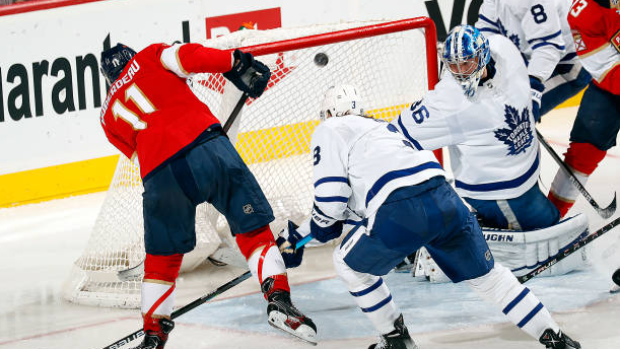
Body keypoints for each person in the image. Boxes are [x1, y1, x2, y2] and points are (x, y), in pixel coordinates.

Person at [277, 84, 581, 349]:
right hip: (444, 198)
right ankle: (555, 338)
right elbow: (351, 212)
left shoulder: (330, 129)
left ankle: (396, 339)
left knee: (347, 264)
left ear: (329, 113)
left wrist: (304, 234)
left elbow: (331, 206)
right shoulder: (385, 130)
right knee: (491, 279)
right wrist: (302, 235)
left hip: (399, 209)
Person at [99, 42, 316, 348]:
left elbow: (138, 153)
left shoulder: (107, 116)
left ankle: (153, 333)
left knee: (162, 259)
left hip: (161, 176)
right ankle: (278, 298)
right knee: (252, 229)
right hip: (207, 148)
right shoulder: (149, 55)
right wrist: (235, 63)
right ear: (131, 56)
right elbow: (191, 57)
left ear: (108, 78)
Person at [393, 25, 587, 281]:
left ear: (484, 54)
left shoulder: (504, 49)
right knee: (552, 226)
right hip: (502, 195)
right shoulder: (447, 102)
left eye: (467, 63)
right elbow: (398, 134)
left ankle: (471, 226)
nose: (461, 73)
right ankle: (430, 241)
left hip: (524, 181)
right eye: (453, 66)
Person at [547, 0, 620, 217]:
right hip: (609, 86)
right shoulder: (583, 12)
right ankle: (552, 216)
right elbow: (608, 73)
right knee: (583, 151)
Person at [475, 0, 592, 119]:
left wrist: (532, 90)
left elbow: (548, 49)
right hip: (535, 57)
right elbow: (487, 32)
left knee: (512, 115)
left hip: (569, 67)